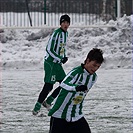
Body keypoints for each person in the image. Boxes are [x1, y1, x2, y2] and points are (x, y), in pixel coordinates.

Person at [48, 48, 104, 133]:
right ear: (87, 61)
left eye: (98, 67)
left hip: (76, 115)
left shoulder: (93, 78)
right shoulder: (76, 72)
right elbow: (63, 84)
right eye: (94, 65)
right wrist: (76, 87)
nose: (95, 68)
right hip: (59, 115)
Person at [32, 14, 70, 115]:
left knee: (64, 84)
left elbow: (62, 48)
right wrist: (59, 58)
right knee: (48, 86)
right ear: (60, 23)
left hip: (57, 64)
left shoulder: (66, 34)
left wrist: (64, 56)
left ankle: (48, 102)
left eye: (67, 22)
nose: (65, 24)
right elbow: (49, 49)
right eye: (63, 22)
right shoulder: (56, 33)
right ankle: (37, 107)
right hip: (50, 63)